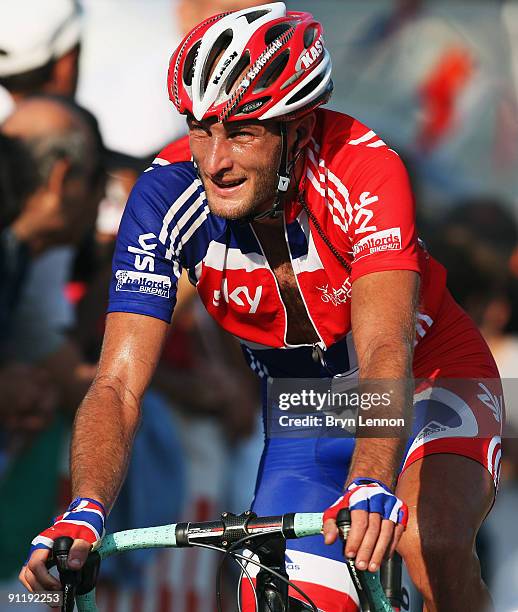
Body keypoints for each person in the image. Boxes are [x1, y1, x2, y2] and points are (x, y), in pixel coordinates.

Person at [21, 4, 503, 611]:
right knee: (272, 594)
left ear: (298, 129)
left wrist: (372, 478)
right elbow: (117, 383)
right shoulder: (165, 195)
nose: (215, 160)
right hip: (305, 408)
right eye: (200, 128)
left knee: (424, 538)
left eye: (242, 132)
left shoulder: (363, 167)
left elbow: (385, 347)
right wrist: (84, 510)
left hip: (430, 375)